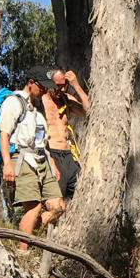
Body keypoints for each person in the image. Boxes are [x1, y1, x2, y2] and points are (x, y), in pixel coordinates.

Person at [0, 66, 66, 251]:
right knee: (33, 208)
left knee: (58, 206)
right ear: (30, 83)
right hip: (22, 159)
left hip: (42, 160)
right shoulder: (13, 102)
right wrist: (7, 165)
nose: (44, 90)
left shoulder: (36, 108)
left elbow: (42, 141)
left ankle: (28, 235)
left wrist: (52, 164)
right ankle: (23, 253)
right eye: (41, 86)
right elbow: (3, 135)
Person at [42, 68, 90, 202]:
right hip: (52, 155)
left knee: (80, 198)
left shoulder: (66, 99)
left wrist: (76, 85)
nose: (62, 89)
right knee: (55, 202)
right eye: (58, 86)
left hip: (69, 156)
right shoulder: (41, 101)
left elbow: (88, 110)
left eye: (65, 85)